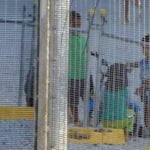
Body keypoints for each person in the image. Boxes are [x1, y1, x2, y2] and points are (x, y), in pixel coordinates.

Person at [68, 11, 87, 125]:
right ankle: (75, 119)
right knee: (73, 100)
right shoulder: (65, 38)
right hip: (71, 75)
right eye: (74, 24)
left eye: (78, 25)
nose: (76, 27)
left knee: (89, 98)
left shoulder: (83, 38)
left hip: (84, 74)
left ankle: (89, 118)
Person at [135, 35, 150, 137]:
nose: (143, 49)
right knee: (146, 109)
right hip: (145, 90)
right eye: (143, 47)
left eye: (146, 47)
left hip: (146, 88)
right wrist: (126, 65)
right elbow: (137, 64)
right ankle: (147, 129)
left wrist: (142, 87)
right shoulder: (144, 61)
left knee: (148, 109)